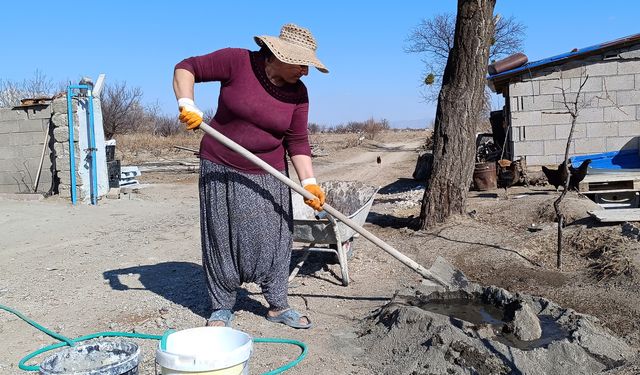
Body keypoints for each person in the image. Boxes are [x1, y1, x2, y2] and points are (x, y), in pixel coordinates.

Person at [173, 23, 328, 329]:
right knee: (222, 235)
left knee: (276, 238)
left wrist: (308, 182)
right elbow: (186, 67)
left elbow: (297, 140)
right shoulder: (237, 61)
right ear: (278, 55)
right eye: (301, 64)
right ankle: (221, 306)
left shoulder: (299, 93)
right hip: (220, 165)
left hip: (269, 171)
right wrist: (186, 103)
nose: (305, 72)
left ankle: (277, 305)